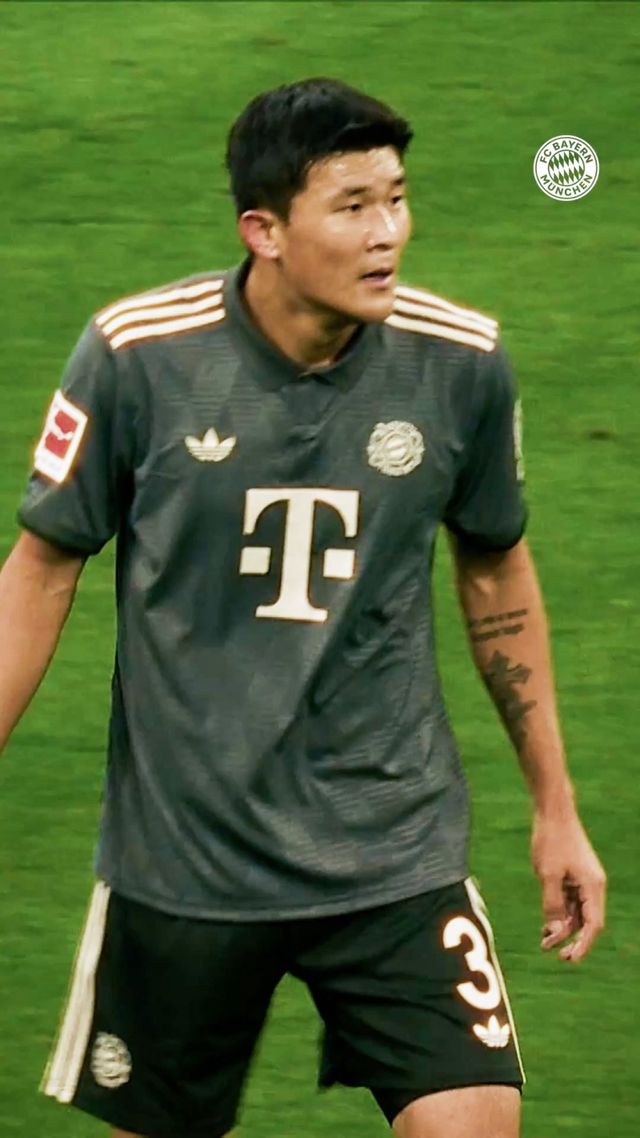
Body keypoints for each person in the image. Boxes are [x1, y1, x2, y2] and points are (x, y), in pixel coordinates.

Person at [0, 78, 606, 1138]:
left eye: (397, 199)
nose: (387, 234)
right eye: (352, 206)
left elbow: (496, 572)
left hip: (393, 852)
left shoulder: (459, 363)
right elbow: (41, 572)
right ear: (265, 230)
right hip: (185, 861)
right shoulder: (139, 357)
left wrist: (555, 807)